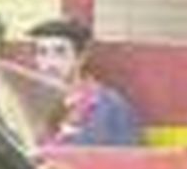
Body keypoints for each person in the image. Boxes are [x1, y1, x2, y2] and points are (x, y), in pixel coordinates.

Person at [27, 16, 145, 147]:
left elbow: (129, 155)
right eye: (42, 53)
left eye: (60, 52)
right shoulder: (26, 105)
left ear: (81, 58)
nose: (50, 63)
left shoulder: (111, 107)